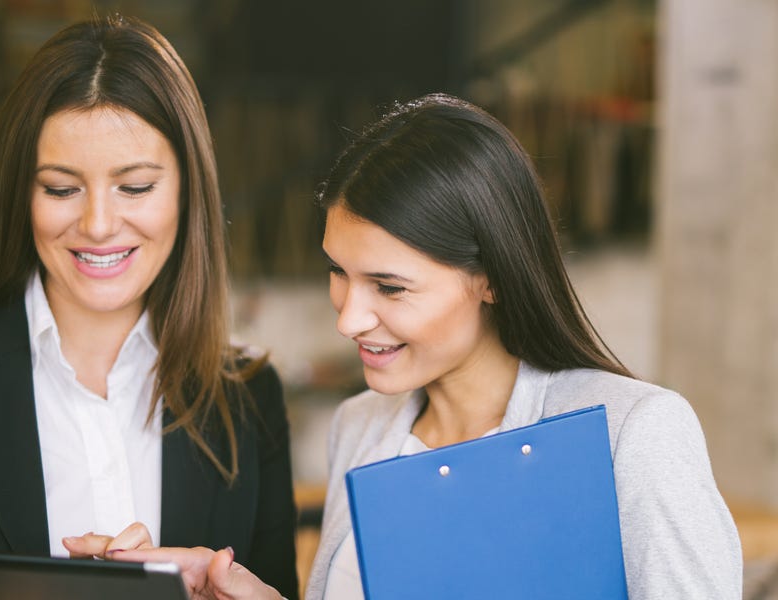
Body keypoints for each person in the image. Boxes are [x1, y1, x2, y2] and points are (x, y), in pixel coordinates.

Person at [89, 93, 742, 599]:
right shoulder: (361, 430)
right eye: (338, 272)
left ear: (490, 277)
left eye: (390, 287)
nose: (349, 319)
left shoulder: (631, 433)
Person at [0, 15, 298, 599]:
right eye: (60, 188)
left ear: (186, 191)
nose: (99, 225)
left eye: (135, 187)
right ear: (21, 193)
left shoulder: (251, 401)